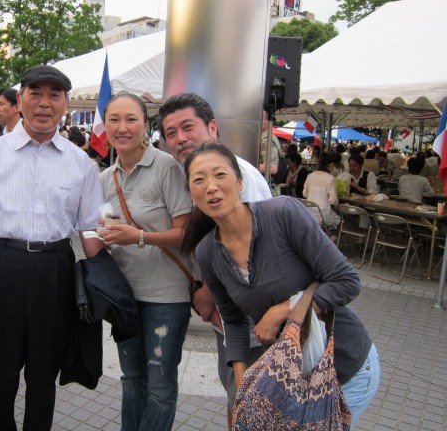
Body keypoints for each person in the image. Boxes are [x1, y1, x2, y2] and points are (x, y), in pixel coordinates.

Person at [0, 65, 104, 431]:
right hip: (0, 266)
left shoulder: (81, 163)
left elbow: (90, 229)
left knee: (43, 375)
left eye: (54, 95)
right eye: (36, 93)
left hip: (55, 270)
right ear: (20, 100)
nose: (44, 103)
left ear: (65, 104)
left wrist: (106, 284)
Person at [181, 142, 380, 428]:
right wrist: (242, 387)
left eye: (220, 175)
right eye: (199, 180)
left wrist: (283, 310)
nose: (211, 187)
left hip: (344, 368)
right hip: (291, 381)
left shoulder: (282, 213)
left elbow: (347, 281)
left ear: (240, 182)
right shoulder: (207, 252)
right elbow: (233, 320)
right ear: (191, 193)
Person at [157, 92, 270, 421]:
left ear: (213, 127)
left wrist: (208, 293)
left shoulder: (236, 177)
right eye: (171, 133)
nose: (180, 138)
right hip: (233, 321)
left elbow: (255, 255)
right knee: (239, 400)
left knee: (250, 408)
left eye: (188, 127)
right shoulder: (196, 177)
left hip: (257, 324)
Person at [97, 93, 192, 431]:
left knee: (161, 387)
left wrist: (137, 237)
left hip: (166, 297)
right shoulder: (105, 178)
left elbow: (185, 233)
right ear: (105, 125)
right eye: (114, 120)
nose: (122, 128)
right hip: (124, 296)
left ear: (145, 125)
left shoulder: (166, 167)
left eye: (131, 119)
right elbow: (101, 235)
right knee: (132, 378)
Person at [303, 153, 341, 227]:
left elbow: (304, 193)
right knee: (339, 221)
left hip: (310, 213)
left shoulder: (310, 176)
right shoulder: (330, 178)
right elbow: (333, 200)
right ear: (331, 164)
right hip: (324, 215)